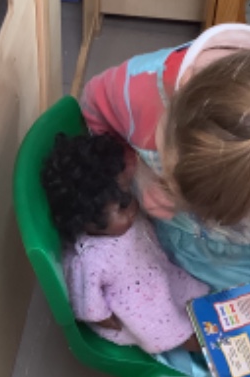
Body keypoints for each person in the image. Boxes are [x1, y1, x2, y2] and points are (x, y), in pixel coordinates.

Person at [81, 23, 250, 328]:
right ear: (181, 93)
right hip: (179, 237)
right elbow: (94, 110)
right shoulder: (136, 90)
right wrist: (137, 171)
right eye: (172, 178)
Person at [40, 132, 209, 354]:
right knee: (170, 326)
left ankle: (205, 322)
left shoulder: (121, 222)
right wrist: (102, 317)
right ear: (89, 221)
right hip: (136, 307)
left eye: (129, 196)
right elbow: (86, 297)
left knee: (190, 294)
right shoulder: (90, 258)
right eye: (122, 206)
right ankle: (201, 348)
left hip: (156, 274)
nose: (132, 208)